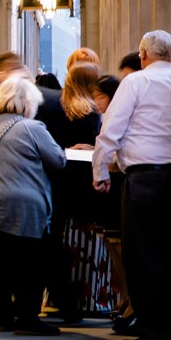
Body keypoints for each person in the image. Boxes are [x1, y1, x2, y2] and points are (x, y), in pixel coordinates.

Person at [93, 30, 171, 340]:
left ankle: (153, 334)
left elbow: (111, 129)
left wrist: (100, 171)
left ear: (143, 54)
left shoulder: (135, 82)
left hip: (143, 181)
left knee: (142, 257)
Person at [0, 76, 67, 336]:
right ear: (29, 103)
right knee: (30, 265)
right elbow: (58, 160)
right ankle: (27, 319)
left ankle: (2, 318)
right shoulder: (33, 128)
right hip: (24, 207)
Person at [55, 61, 116, 317]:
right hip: (89, 186)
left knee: (70, 243)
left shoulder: (60, 110)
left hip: (64, 185)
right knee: (92, 244)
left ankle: (69, 297)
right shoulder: (91, 114)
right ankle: (93, 298)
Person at [89, 75, 134, 335]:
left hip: (118, 183)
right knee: (113, 250)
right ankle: (124, 298)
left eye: (100, 96)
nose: (96, 102)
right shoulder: (104, 116)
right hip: (110, 185)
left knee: (121, 249)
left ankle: (130, 302)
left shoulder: (119, 116)